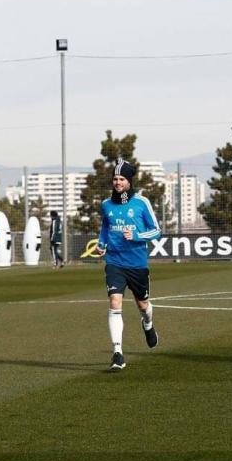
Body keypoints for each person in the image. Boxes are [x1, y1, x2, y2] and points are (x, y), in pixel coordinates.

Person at [96, 159, 162, 371]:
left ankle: (148, 324)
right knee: (115, 302)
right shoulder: (106, 204)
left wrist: (136, 235)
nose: (117, 182)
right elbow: (105, 228)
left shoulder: (141, 203)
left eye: (121, 179)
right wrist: (101, 243)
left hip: (137, 264)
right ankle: (117, 353)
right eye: (115, 179)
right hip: (114, 262)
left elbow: (156, 231)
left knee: (143, 305)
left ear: (129, 181)